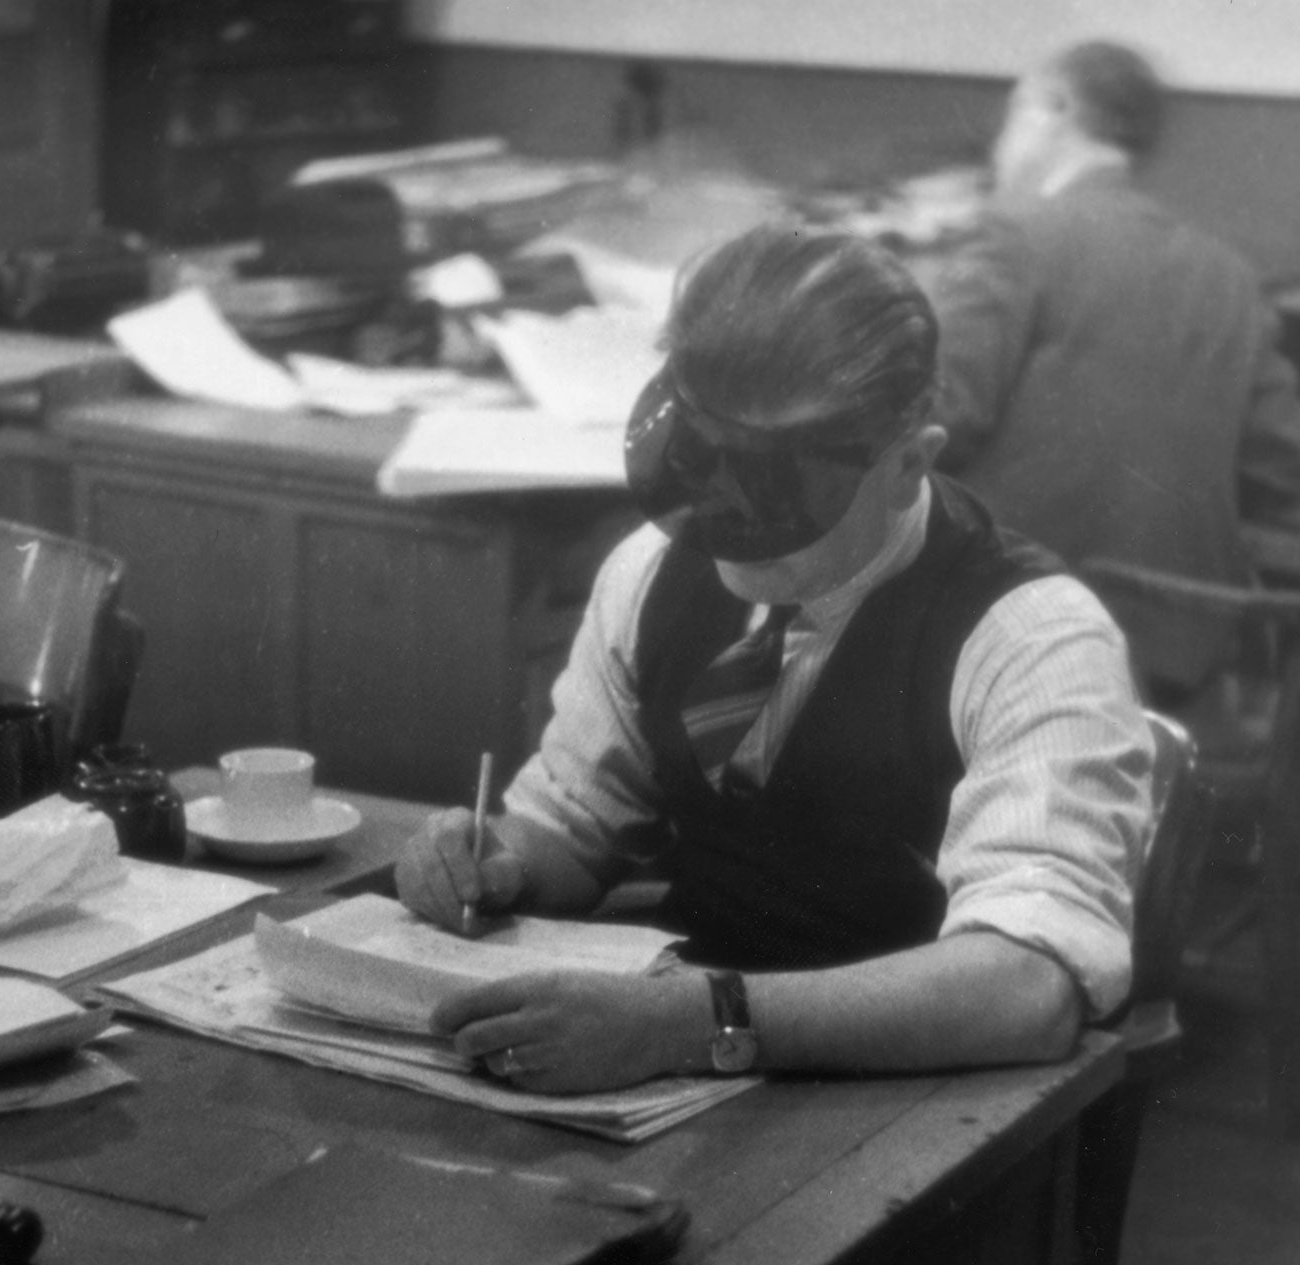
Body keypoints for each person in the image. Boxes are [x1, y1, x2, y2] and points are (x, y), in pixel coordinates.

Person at [395, 222, 1154, 1095]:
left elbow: (1027, 986)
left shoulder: (1032, 638)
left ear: (910, 463)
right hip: (667, 1048)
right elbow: (579, 822)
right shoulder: (652, 571)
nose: (722, 519)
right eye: (699, 466)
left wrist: (698, 1021)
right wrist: (501, 860)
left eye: (777, 493)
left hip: (909, 1086)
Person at [929, 39, 1300, 700]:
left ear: (1053, 110)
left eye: (1010, 118)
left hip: (1013, 639)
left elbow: (935, 419)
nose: (999, 150)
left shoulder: (1016, 235)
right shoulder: (1228, 276)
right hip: (1176, 662)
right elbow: (1284, 469)